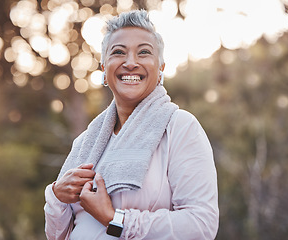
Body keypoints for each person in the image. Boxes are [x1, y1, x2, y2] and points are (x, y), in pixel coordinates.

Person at [44, 9, 219, 240]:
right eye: (118, 52)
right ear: (104, 69)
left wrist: (115, 219)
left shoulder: (180, 127)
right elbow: (58, 235)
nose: (130, 63)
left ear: (161, 69)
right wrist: (57, 196)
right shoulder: (86, 142)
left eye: (144, 52)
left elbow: (201, 224)